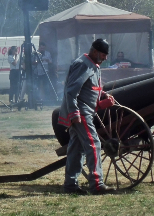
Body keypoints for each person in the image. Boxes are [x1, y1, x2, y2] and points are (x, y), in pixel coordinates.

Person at [57, 38, 115, 195]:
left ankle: (70, 185)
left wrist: (103, 96)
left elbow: (90, 88)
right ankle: (97, 184)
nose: (104, 58)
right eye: (103, 54)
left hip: (86, 111)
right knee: (94, 144)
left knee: (76, 149)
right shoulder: (83, 64)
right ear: (94, 51)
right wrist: (74, 113)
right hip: (81, 113)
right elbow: (71, 91)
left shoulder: (93, 65)